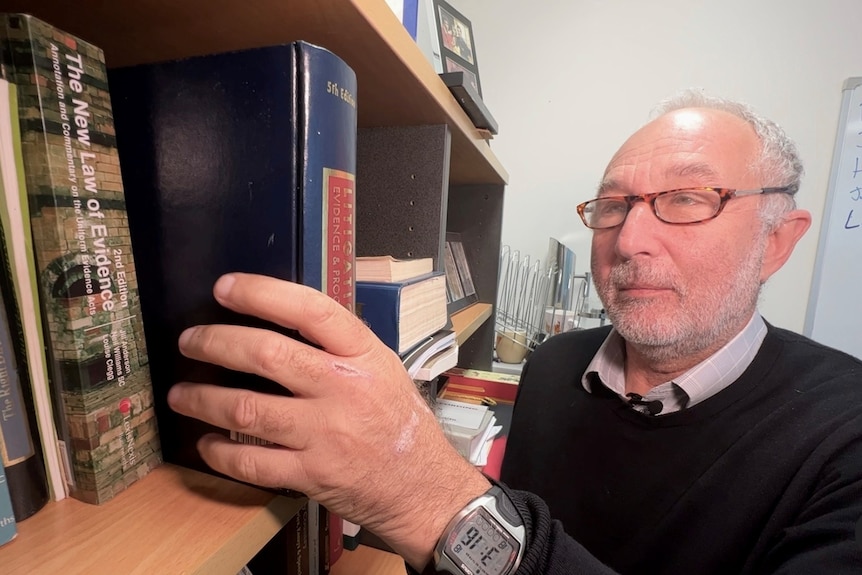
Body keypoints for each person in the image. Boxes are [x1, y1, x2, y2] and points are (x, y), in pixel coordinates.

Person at [166, 90, 862, 574]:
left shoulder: (845, 439)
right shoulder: (554, 366)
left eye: (685, 199)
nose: (632, 238)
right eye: (614, 205)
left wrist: (432, 496)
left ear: (778, 240)